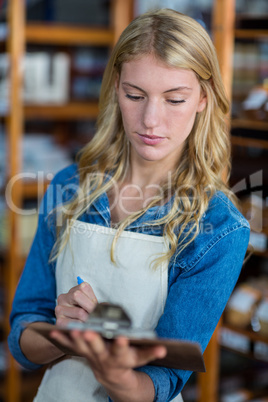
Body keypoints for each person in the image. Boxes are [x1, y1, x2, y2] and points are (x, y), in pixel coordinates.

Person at [8, 8, 250, 402]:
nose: (151, 120)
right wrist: (61, 334)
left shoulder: (220, 228)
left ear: (203, 99)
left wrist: (115, 373)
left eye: (175, 99)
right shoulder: (70, 186)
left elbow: (165, 380)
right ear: (116, 87)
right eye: (135, 95)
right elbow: (23, 337)